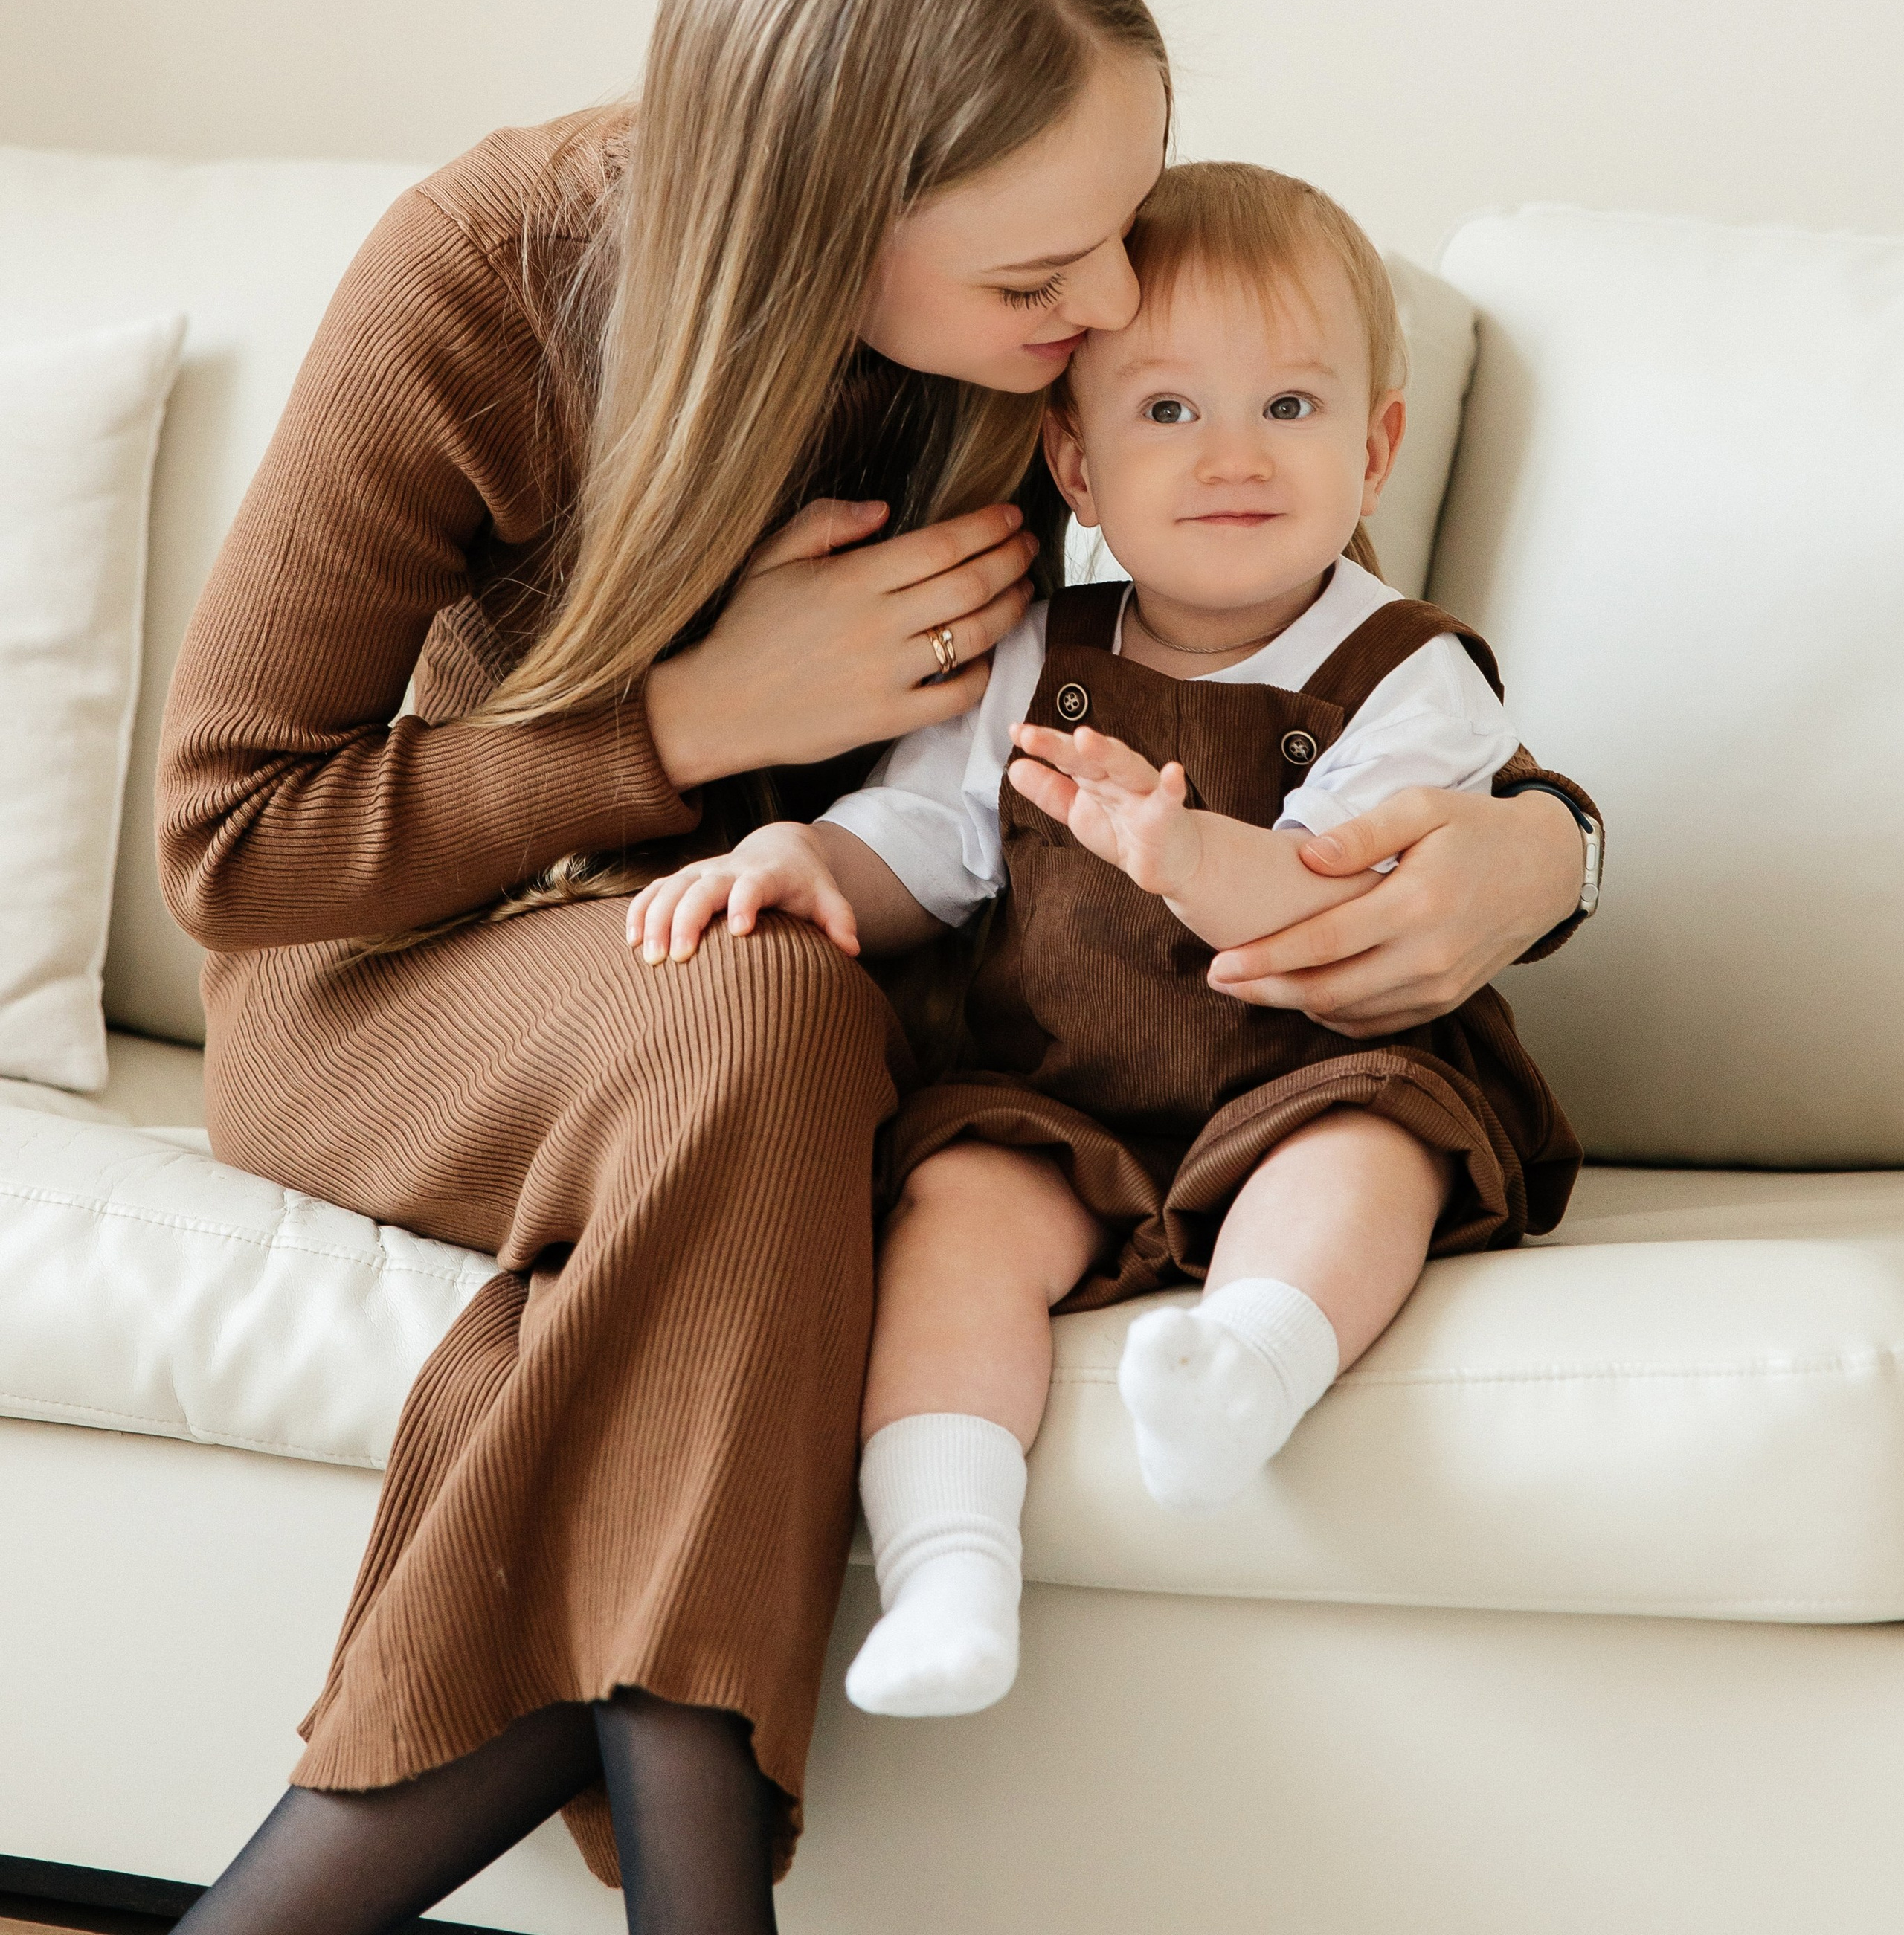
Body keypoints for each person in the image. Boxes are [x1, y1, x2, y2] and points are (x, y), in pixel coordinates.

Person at [158, 0, 1595, 1935]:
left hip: (787, 1028)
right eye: (1041, 279)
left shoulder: (1040, 375)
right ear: (829, 231)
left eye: (1118, 223)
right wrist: (674, 731)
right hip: (408, 994)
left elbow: (1301, 639)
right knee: (774, 1014)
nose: (1104, 305)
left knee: (784, 1049)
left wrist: (1541, 850)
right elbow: (229, 841)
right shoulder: (487, 282)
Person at [628, 161, 1589, 1723]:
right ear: (1071, 460)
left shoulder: (1411, 675)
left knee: (1371, 1159)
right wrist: (805, 859)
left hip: (1312, 1067)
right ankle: (947, 1563)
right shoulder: (1035, 654)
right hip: (1063, 1087)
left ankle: (1245, 1372)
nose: (1227, 456)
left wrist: (1182, 853)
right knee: (952, 1211)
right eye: (1163, 414)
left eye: (1288, 407)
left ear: (1376, 446)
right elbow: (931, 845)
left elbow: (1339, 899)